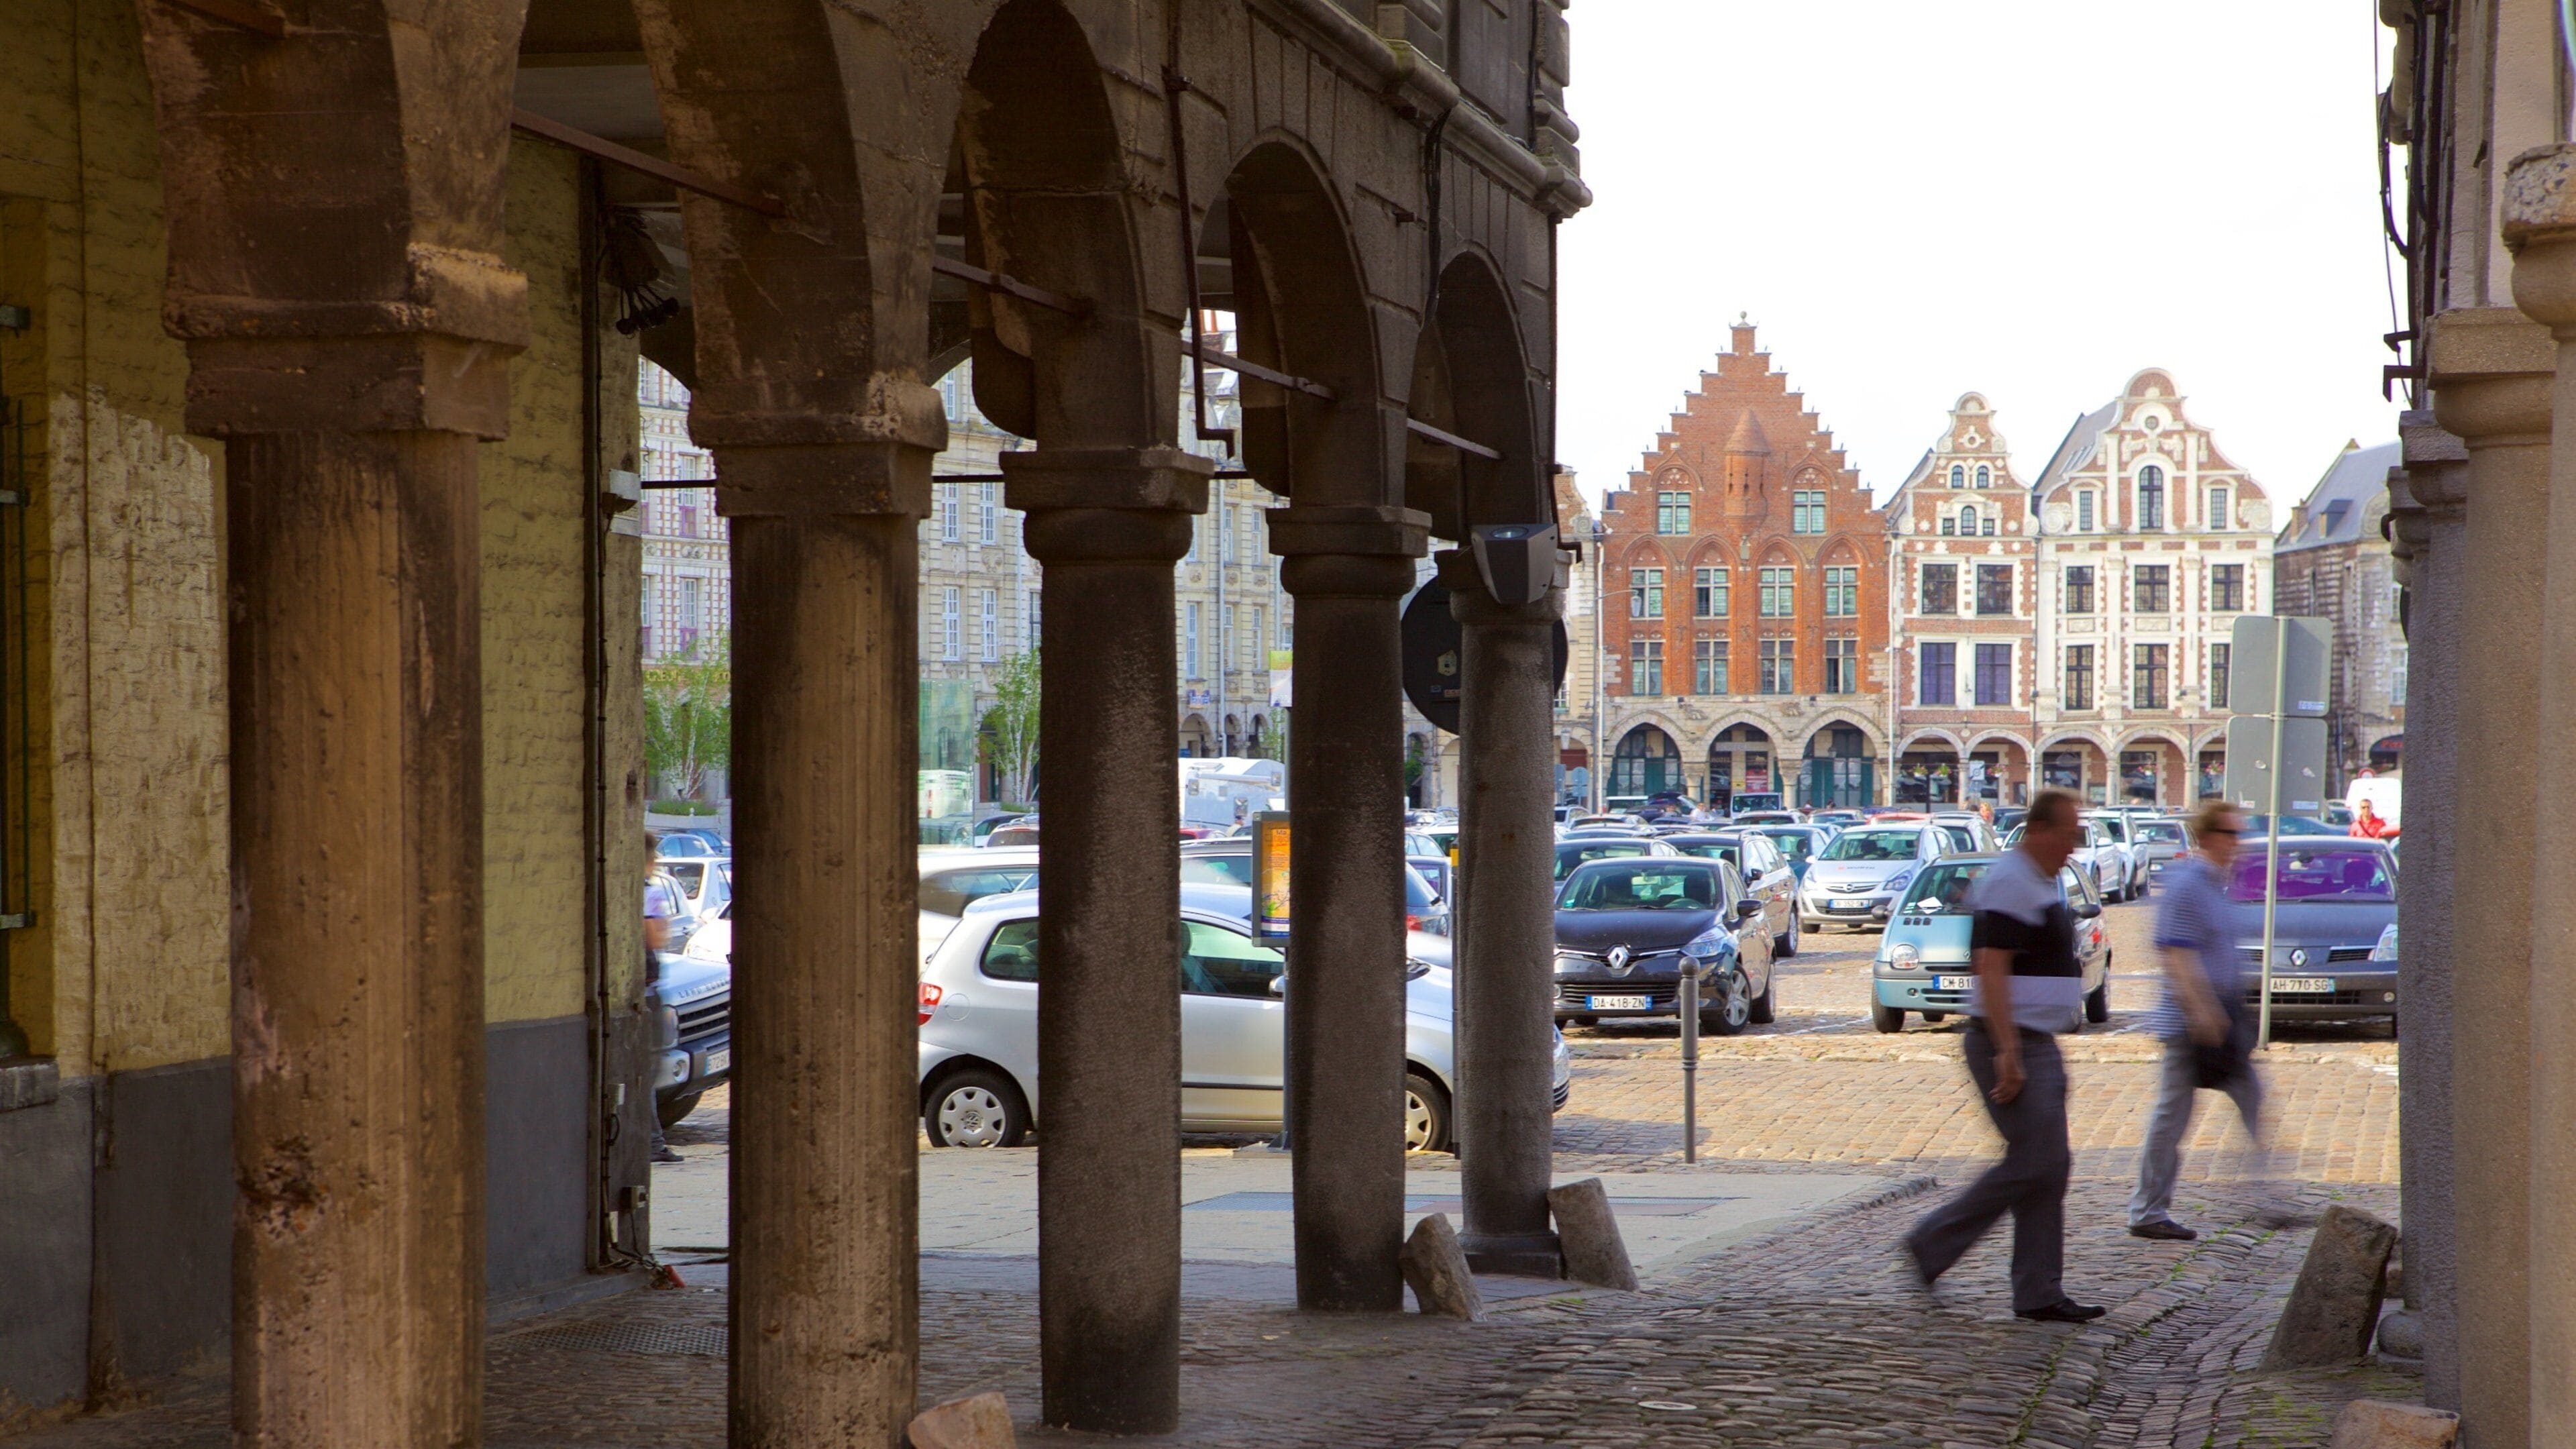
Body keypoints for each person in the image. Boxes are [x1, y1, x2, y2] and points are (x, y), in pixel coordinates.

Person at [1903, 788, 2103, 1323]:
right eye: (2067, 834)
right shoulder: (2013, 879)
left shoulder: (2037, 878)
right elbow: (1990, 966)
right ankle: (1933, 1242)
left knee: (2049, 1167)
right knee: (2036, 1162)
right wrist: (2008, 1053)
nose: (2073, 845)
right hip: (2009, 1040)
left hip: (2035, 1039)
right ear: (2039, 830)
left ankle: (2038, 1291)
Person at [2128, 800, 2263, 1238]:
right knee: (2172, 1117)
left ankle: (2267, 1195)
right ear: (2207, 837)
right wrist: (2202, 1012)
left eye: (2240, 835)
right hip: (2193, 1023)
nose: (2238, 844)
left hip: (2222, 1016)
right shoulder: (2189, 884)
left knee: (2251, 1099)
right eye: (2230, 834)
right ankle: (2148, 1212)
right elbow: (2176, 952)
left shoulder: (2217, 886)